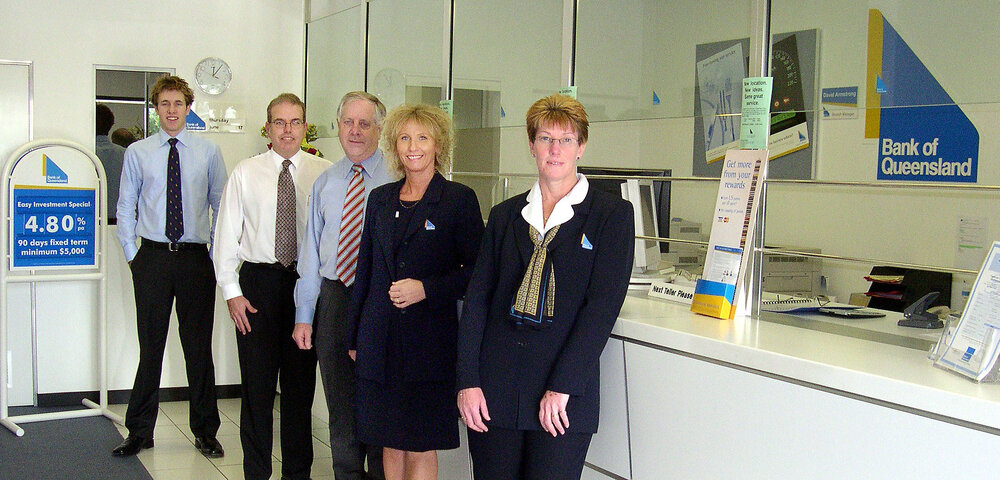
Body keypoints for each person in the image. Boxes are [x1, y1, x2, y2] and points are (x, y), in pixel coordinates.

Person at [456, 94, 635, 480]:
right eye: (545, 139)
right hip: (494, 389)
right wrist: (467, 382)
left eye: (566, 140)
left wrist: (561, 386)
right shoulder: (505, 216)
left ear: (581, 146)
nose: (555, 150)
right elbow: (477, 302)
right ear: (532, 145)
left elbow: (600, 311)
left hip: (562, 396)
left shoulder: (611, 216)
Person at [346, 103, 484, 480]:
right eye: (405, 137)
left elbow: (477, 273)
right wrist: (355, 335)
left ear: (439, 144)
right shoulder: (380, 198)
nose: (413, 146)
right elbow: (366, 269)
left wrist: (427, 288)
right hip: (380, 340)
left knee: (420, 442)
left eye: (422, 137)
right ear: (393, 144)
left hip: (429, 344)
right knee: (388, 440)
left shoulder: (458, 199)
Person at [214, 93, 329, 480]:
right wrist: (232, 293)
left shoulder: (324, 172)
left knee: (299, 393)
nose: (287, 130)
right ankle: (256, 473)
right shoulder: (246, 172)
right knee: (258, 392)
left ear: (305, 126)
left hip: (305, 287)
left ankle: (297, 474)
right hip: (258, 286)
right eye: (279, 123)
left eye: (295, 122)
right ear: (267, 128)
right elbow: (225, 237)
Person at [113, 75, 227, 458]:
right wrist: (133, 255)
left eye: (178, 103)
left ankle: (206, 431)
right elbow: (125, 206)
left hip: (196, 260)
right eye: (165, 104)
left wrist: (214, 255)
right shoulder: (138, 153)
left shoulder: (208, 152)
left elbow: (221, 206)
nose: (172, 110)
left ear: (188, 106)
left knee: (198, 349)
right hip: (153, 259)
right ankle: (140, 431)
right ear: (156, 108)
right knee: (151, 348)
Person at [292, 91, 394, 480]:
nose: (355, 131)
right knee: (341, 408)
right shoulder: (326, 181)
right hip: (334, 300)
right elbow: (311, 258)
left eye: (364, 123)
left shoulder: (398, 179)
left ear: (379, 130)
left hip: (381, 301)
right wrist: (305, 316)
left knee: (380, 406)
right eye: (347, 122)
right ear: (337, 126)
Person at [95, 103, 125, 224]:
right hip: (121, 223)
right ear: (111, 124)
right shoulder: (127, 155)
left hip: (89, 222)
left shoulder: (83, 156)